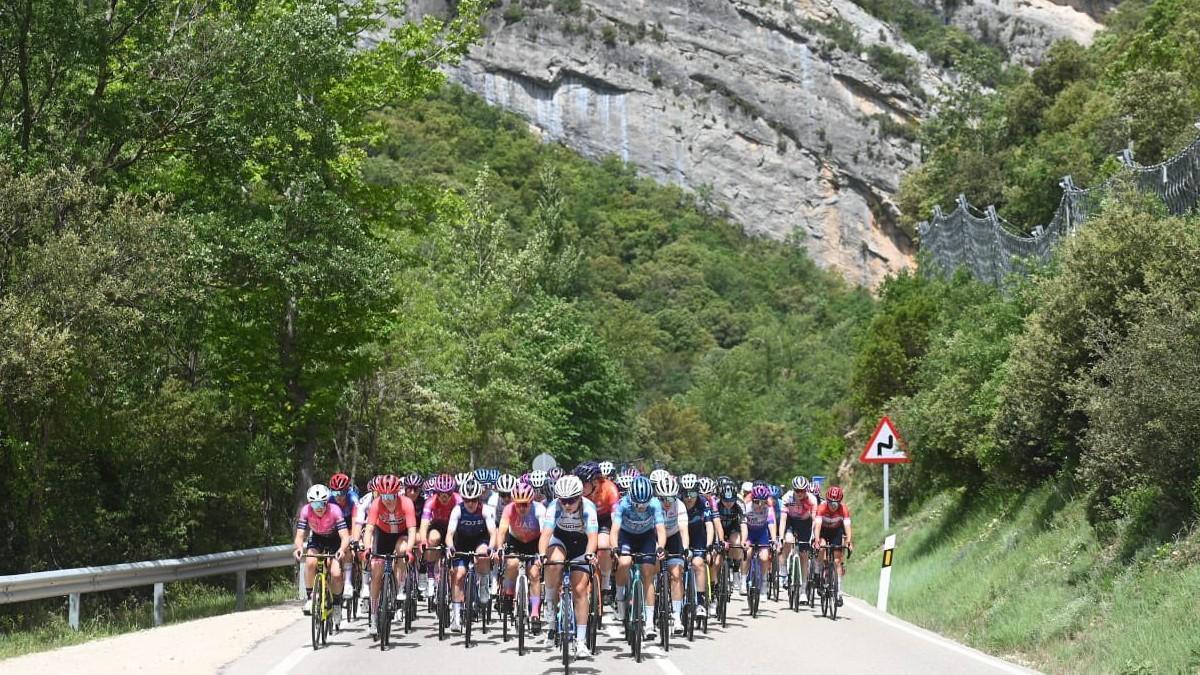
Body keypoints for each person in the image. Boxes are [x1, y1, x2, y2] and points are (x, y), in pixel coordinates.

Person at [540, 474, 599, 656]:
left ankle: (580, 641)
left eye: (571, 500)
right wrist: (542, 554)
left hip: (582, 544)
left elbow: (592, 537)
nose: (567, 505)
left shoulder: (588, 508)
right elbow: (546, 534)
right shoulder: (554, 507)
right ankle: (550, 607)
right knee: (554, 563)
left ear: (580, 496)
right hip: (561, 540)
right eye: (563, 500)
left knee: (580, 589)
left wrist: (589, 555)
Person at [361, 475, 417, 639]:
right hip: (383, 534)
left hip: (400, 534)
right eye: (384, 496)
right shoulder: (375, 504)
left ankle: (399, 588)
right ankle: (373, 616)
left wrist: (409, 551)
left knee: (401, 551)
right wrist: (367, 548)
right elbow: (369, 529)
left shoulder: (406, 503)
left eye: (391, 496)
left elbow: (412, 530)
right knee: (376, 573)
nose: (387, 500)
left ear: (397, 494)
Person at [611, 476, 666, 640]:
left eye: (644, 504)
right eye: (637, 505)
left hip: (646, 537)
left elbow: (661, 530)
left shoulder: (655, 504)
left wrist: (661, 547)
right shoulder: (623, 504)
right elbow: (614, 530)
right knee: (624, 562)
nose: (641, 508)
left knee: (648, 572)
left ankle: (649, 623)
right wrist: (614, 547)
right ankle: (620, 597)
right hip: (626, 536)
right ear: (631, 499)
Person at [293, 484, 350, 627]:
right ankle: (311, 597)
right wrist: (299, 547)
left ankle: (337, 604)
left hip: (334, 539)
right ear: (310, 503)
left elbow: (344, 536)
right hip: (317, 538)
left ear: (327, 502)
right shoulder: (306, 511)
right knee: (310, 563)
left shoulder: (335, 510)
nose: (318, 507)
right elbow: (300, 535)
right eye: (314, 504)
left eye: (321, 503)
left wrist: (342, 549)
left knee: (336, 573)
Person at [446, 477, 496, 633]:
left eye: (474, 500)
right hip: (461, 542)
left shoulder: (486, 510)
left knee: (482, 554)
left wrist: (491, 548)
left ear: (478, 498)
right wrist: (450, 547)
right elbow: (449, 534)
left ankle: (483, 584)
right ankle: (456, 616)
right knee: (459, 575)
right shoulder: (457, 510)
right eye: (467, 500)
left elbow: (493, 533)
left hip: (480, 541)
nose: (470, 504)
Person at [497, 482, 546, 628]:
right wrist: (499, 547)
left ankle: (535, 613)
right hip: (516, 541)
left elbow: (545, 532)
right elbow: (502, 531)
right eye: (518, 504)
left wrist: (542, 554)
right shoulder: (508, 509)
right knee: (512, 564)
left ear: (531, 502)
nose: (522, 508)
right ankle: (509, 594)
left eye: (525, 504)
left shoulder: (539, 509)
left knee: (535, 573)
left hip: (534, 541)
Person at [576, 461, 619, 604]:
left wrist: (614, 542)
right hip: (585, 520)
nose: (581, 486)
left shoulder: (610, 489)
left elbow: (615, 519)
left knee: (603, 546)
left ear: (595, 482)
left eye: (584, 482)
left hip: (604, 520)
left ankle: (606, 584)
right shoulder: (579, 491)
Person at [654, 474, 691, 635]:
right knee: (651, 568)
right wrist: (656, 548)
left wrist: (686, 549)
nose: (667, 502)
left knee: (676, 574)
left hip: (674, 536)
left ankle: (677, 617)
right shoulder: (653, 505)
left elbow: (684, 530)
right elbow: (648, 530)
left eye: (671, 498)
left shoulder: (680, 505)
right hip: (655, 537)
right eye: (663, 499)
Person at [418, 474, 461, 598]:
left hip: (454, 528)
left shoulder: (458, 500)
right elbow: (424, 525)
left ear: (452, 492)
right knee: (432, 538)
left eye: (448, 493)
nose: (444, 496)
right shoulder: (430, 502)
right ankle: (430, 576)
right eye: (441, 493)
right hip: (437, 526)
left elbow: (463, 523)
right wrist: (423, 541)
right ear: (436, 492)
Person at [812, 485, 853, 607]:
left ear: (840, 502)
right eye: (831, 503)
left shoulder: (844, 509)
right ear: (827, 500)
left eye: (836, 503)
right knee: (822, 547)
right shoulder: (822, 507)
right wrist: (817, 540)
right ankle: (818, 573)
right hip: (823, 530)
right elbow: (818, 526)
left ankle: (839, 593)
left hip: (836, 531)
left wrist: (849, 542)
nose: (833, 506)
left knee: (837, 560)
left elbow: (847, 528)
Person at [680, 476, 714, 620]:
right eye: (686, 494)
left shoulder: (703, 502)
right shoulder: (677, 502)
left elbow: (709, 525)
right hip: (679, 536)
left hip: (698, 536)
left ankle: (700, 602)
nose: (689, 498)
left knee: (698, 563)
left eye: (692, 494)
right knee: (678, 566)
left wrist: (708, 546)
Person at [780, 476, 817, 595]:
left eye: (802, 490)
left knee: (804, 554)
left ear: (806, 490)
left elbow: (815, 520)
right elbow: (783, 519)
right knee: (788, 540)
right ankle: (784, 571)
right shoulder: (787, 497)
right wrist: (781, 536)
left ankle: (803, 589)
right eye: (797, 490)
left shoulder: (812, 499)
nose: (800, 493)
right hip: (791, 521)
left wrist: (813, 537)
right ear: (793, 490)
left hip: (805, 523)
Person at [740, 484, 778, 594]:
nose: (760, 505)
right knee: (747, 552)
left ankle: (764, 583)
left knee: (764, 557)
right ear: (752, 500)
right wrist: (744, 540)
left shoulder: (769, 509)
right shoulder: (746, 508)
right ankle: (743, 581)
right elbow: (743, 525)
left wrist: (774, 539)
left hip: (762, 533)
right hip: (749, 532)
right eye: (756, 502)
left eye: (763, 502)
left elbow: (771, 524)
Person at [715, 483, 745, 592]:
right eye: (726, 501)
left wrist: (744, 541)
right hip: (718, 527)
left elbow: (743, 524)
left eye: (731, 500)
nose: (728, 503)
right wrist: (720, 541)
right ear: (720, 498)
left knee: (736, 543)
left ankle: (736, 571)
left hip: (733, 526)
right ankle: (717, 582)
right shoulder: (716, 504)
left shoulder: (740, 504)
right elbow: (715, 524)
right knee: (717, 560)